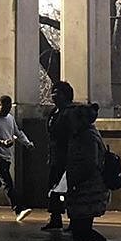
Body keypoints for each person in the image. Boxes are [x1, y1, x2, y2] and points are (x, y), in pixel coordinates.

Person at [65, 102, 121, 241]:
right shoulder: (87, 134)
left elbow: (89, 164)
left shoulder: (86, 137)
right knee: (80, 230)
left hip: (87, 189)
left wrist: (75, 181)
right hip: (86, 188)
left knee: (81, 229)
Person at [41, 80, 74, 231]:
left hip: (69, 158)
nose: (54, 95)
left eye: (58, 93)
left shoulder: (71, 113)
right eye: (53, 92)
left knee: (71, 190)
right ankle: (55, 217)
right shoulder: (53, 113)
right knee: (53, 188)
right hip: (55, 157)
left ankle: (74, 220)